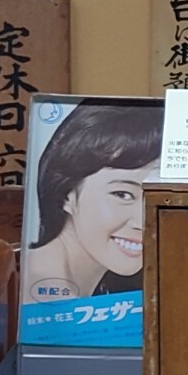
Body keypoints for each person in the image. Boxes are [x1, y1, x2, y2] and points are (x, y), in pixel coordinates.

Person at [21, 102, 163, 304]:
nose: (142, 223)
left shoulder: (93, 291)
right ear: (67, 193)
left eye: (156, 198)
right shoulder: (40, 297)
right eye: (122, 194)